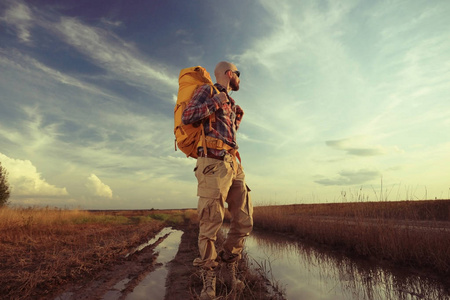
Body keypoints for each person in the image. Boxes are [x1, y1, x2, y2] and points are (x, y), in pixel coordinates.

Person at [182, 61, 253, 299]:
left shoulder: (232, 103)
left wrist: (236, 115)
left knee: (244, 220)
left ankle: (229, 266)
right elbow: (187, 116)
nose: (240, 80)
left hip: (233, 163)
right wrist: (217, 102)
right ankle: (208, 280)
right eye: (238, 75)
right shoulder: (208, 91)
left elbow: (225, 130)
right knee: (211, 222)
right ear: (230, 74)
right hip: (212, 162)